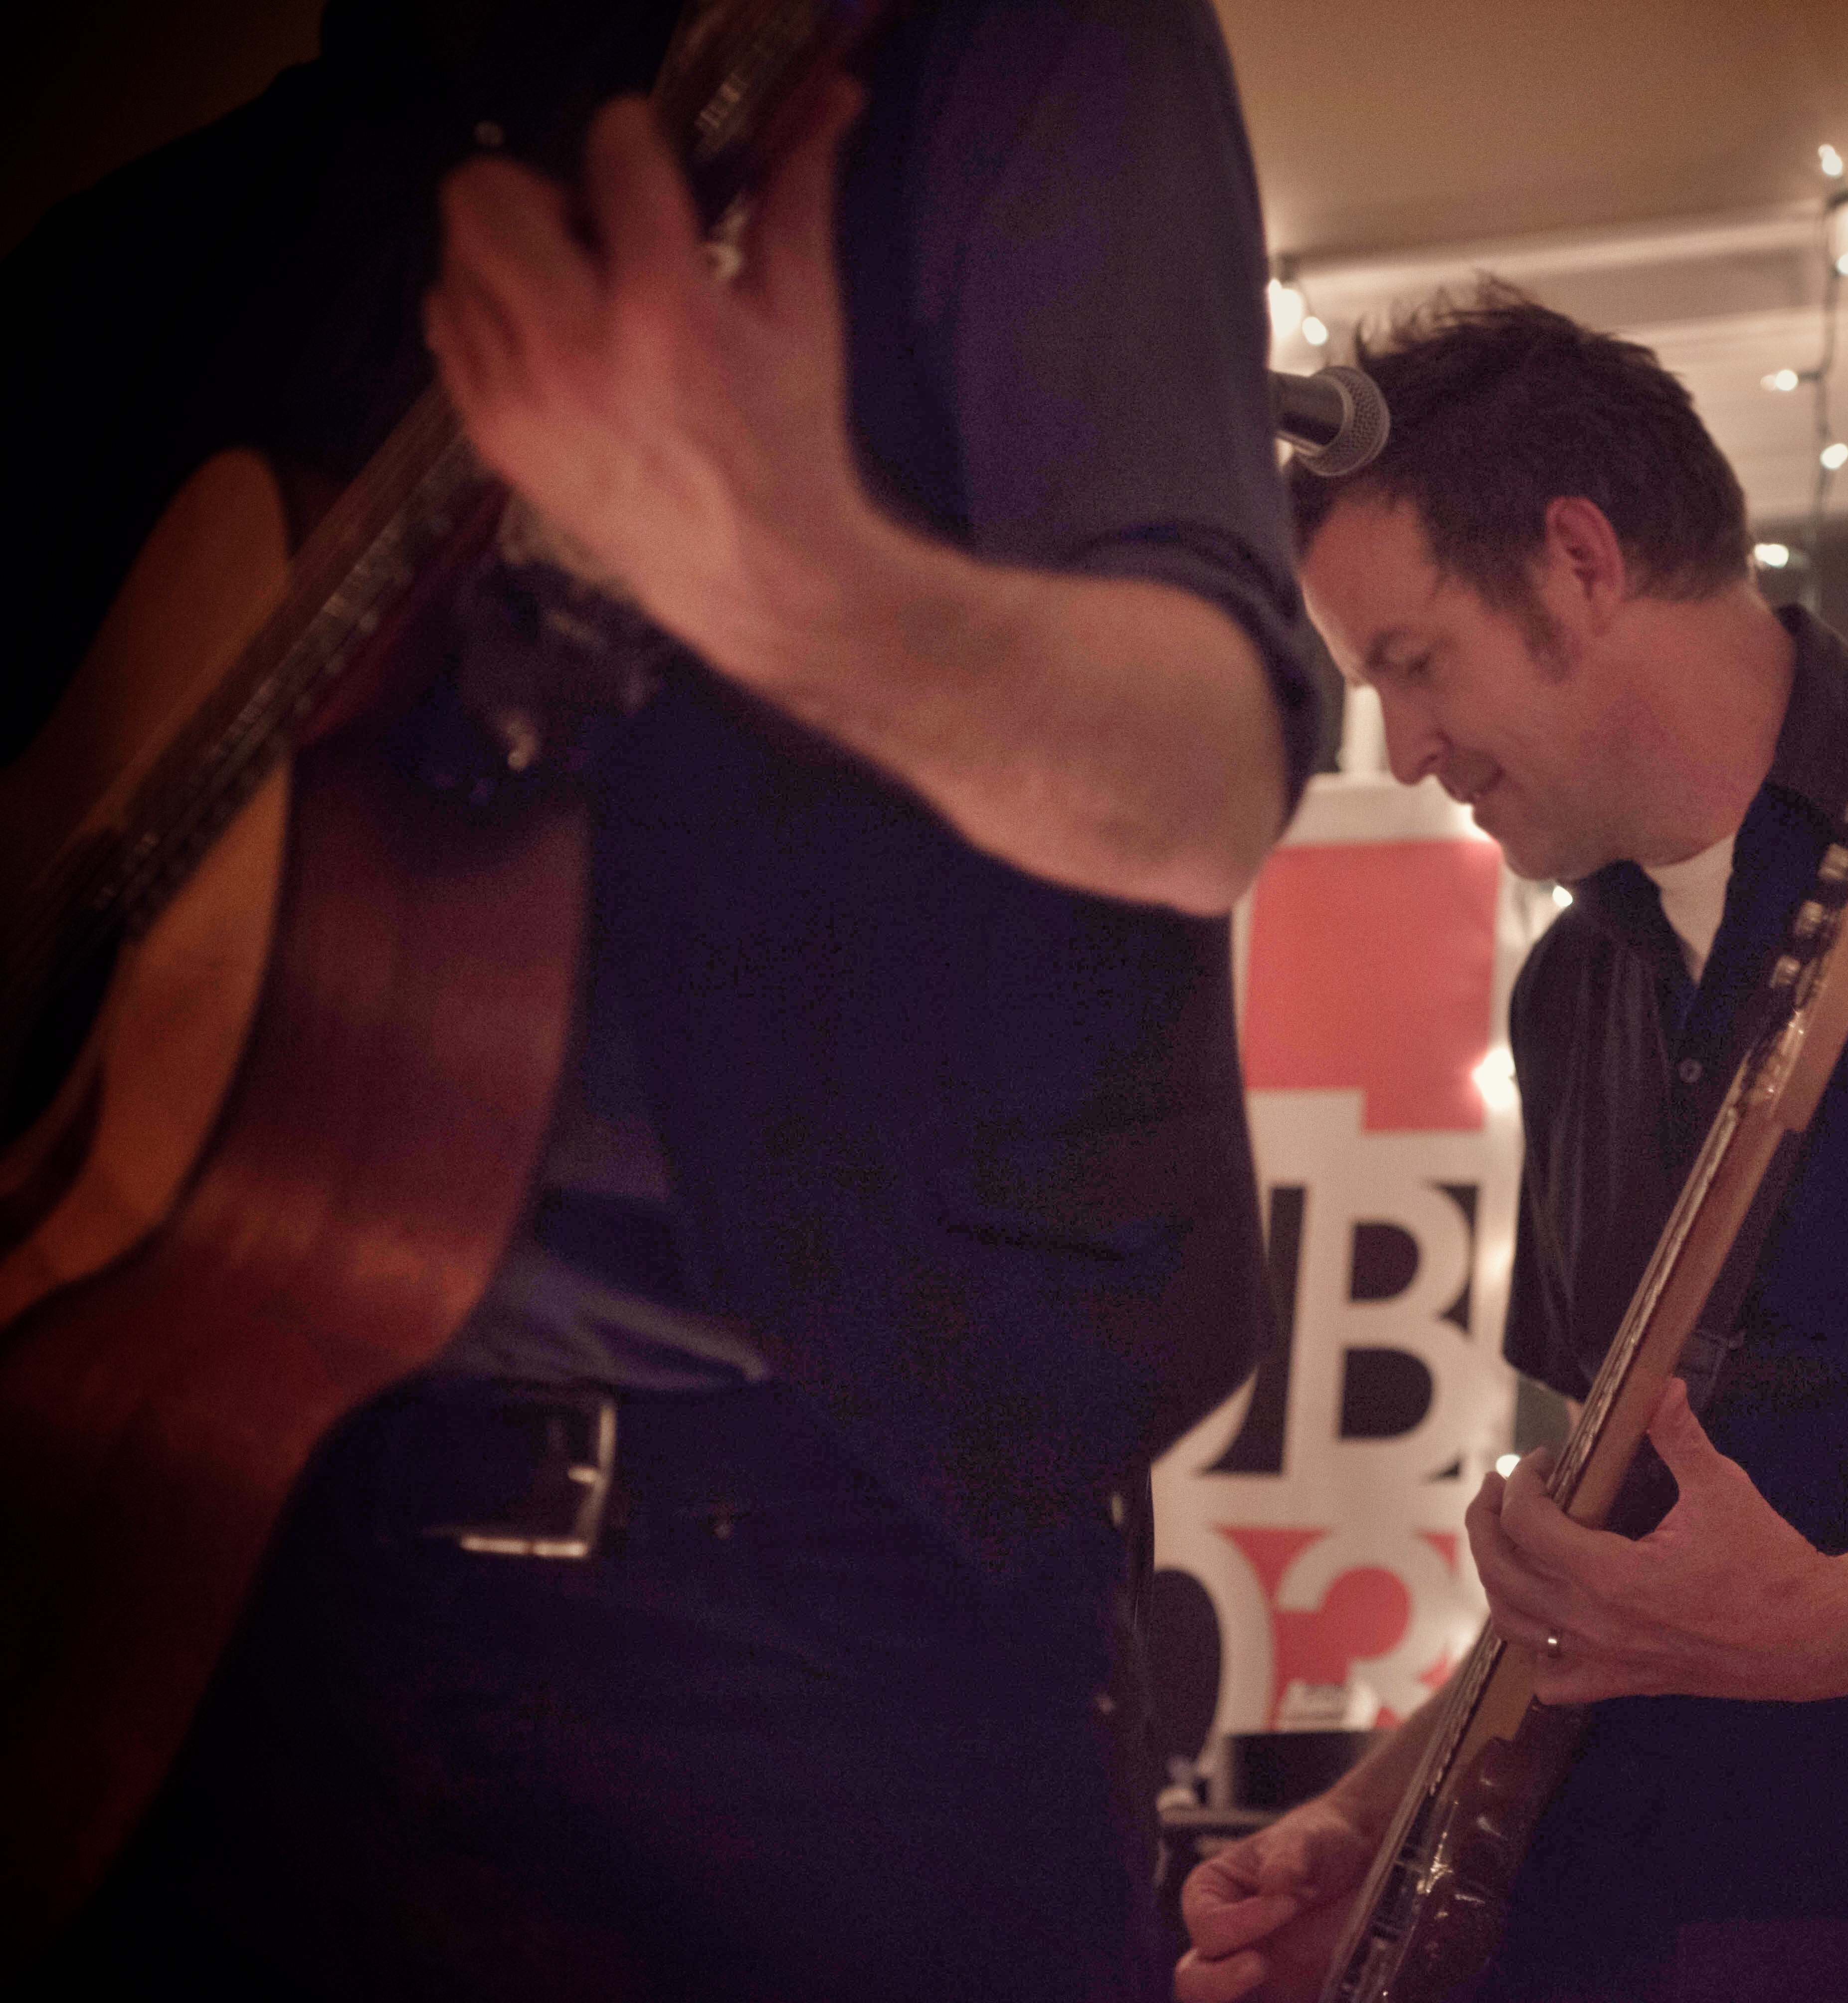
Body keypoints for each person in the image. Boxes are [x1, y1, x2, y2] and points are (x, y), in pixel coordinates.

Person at [18, 0, 1316, 1996]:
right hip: (184, 1551)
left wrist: (796, 584)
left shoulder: (998, 45)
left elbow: (1201, 777)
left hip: (791, 1609)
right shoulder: (174, 235)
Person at [1176, 290, 1848, 2003]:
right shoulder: (1572, 989)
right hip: (1617, 1924)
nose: (1400, 751)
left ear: (1579, 562)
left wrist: (1843, 1621)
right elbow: (1606, 1564)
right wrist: (1377, 1831)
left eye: (1412, 663)